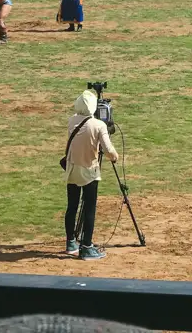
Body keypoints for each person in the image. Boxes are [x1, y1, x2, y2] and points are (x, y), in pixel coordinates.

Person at [63, 90, 119, 260]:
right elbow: (108, 150)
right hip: (89, 170)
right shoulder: (99, 125)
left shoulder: (72, 120)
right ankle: (87, 246)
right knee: (89, 208)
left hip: (72, 168)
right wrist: (115, 157)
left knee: (72, 206)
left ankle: (71, 242)